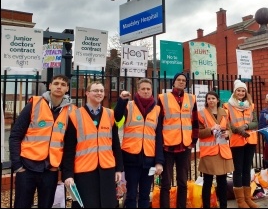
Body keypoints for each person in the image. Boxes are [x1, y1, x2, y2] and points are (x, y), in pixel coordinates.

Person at [9, 74, 77, 208]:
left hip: (50, 169)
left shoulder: (71, 111)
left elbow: (70, 145)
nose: (59, 86)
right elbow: (15, 135)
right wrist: (17, 165)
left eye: (63, 85)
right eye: (56, 83)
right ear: (50, 86)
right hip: (26, 167)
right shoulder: (34, 104)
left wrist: (61, 168)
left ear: (67, 89)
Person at [61, 81, 123, 208]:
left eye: (101, 90)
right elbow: (69, 149)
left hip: (107, 168)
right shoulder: (75, 115)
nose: (99, 93)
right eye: (95, 90)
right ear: (87, 93)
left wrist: (119, 168)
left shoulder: (110, 114)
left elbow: (115, 144)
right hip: (84, 170)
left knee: (108, 204)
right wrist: (68, 174)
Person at [114, 78, 164, 208]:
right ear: (138, 90)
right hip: (131, 157)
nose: (146, 91)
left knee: (145, 194)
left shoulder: (157, 110)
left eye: (148, 89)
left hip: (149, 159)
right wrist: (121, 101)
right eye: (143, 89)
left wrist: (159, 161)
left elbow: (159, 137)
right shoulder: (129, 105)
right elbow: (117, 118)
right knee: (130, 194)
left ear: (152, 90)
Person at [157, 72, 199, 208]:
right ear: (173, 82)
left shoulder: (191, 98)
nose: (181, 82)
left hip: (184, 146)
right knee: (166, 183)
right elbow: (158, 123)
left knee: (183, 182)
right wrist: (160, 143)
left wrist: (193, 142)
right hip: (167, 147)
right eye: (179, 80)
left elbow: (195, 122)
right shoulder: (162, 98)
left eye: (184, 80)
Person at [223, 79, 258, 208]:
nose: (241, 93)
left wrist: (246, 126)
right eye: (238, 90)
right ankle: (240, 200)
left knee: (247, 169)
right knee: (238, 170)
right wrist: (238, 130)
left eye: (243, 90)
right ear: (234, 92)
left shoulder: (251, 105)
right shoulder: (227, 106)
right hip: (237, 141)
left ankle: (247, 198)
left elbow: (256, 122)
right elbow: (227, 123)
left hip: (250, 139)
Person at [198, 91, 233, 208]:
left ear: (218, 100)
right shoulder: (201, 113)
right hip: (209, 152)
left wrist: (228, 134)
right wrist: (210, 129)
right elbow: (198, 133)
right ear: (206, 101)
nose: (211, 100)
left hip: (222, 151)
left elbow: (229, 129)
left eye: (213, 98)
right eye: (209, 99)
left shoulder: (224, 113)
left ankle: (224, 205)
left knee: (222, 182)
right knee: (207, 182)